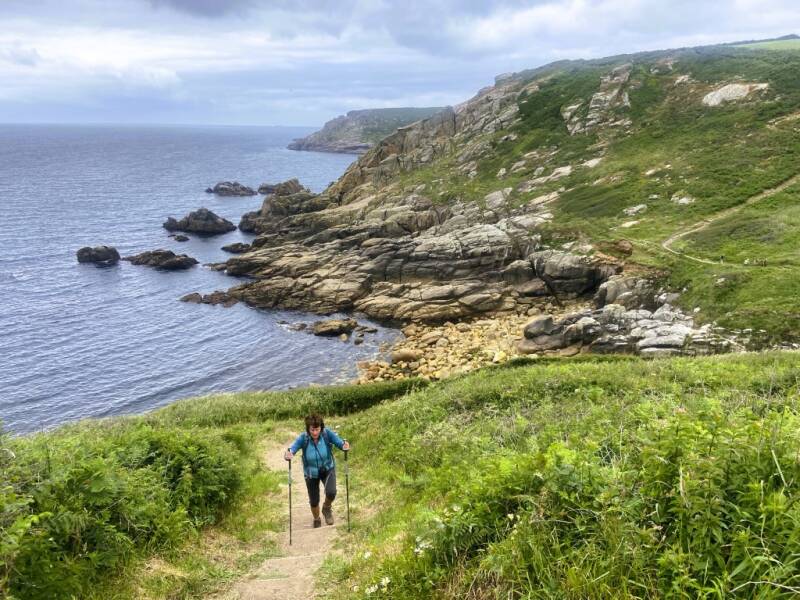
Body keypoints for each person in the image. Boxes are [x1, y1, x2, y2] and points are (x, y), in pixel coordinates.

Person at [284, 413, 350, 528]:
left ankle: (326, 508)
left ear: (321, 428)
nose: (315, 432)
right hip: (311, 473)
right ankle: (316, 518)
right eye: (312, 430)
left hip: (327, 468)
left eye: (317, 429)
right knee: (314, 501)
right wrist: (289, 454)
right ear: (308, 429)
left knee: (331, 492)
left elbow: (339, 443)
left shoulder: (326, 434)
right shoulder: (303, 438)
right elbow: (292, 449)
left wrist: (344, 445)